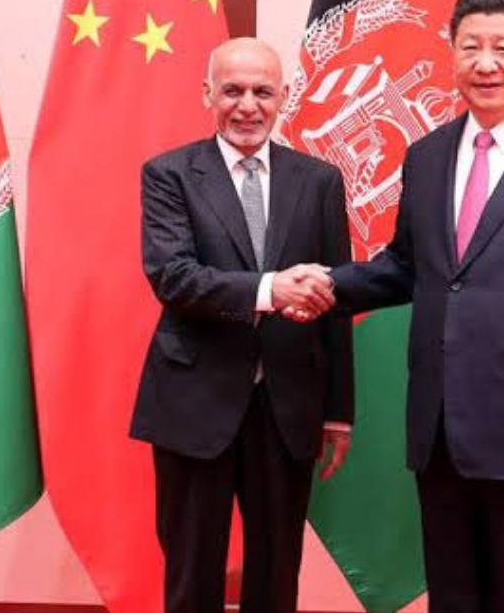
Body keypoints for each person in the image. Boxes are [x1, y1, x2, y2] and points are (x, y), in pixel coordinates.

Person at [291, 0, 504, 613]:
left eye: (502, 48)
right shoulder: (427, 156)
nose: (485, 63)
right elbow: (408, 266)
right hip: (441, 422)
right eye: (470, 46)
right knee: (453, 594)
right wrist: (326, 287)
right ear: (451, 52)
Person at [130, 37, 352, 613]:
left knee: (277, 575)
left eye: (262, 92)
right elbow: (174, 277)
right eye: (232, 90)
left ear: (284, 97)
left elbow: (336, 300)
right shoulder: (170, 174)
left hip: (288, 406)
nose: (247, 105)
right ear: (208, 93)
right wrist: (269, 290)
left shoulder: (320, 181)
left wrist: (338, 411)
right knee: (192, 571)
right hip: (194, 402)